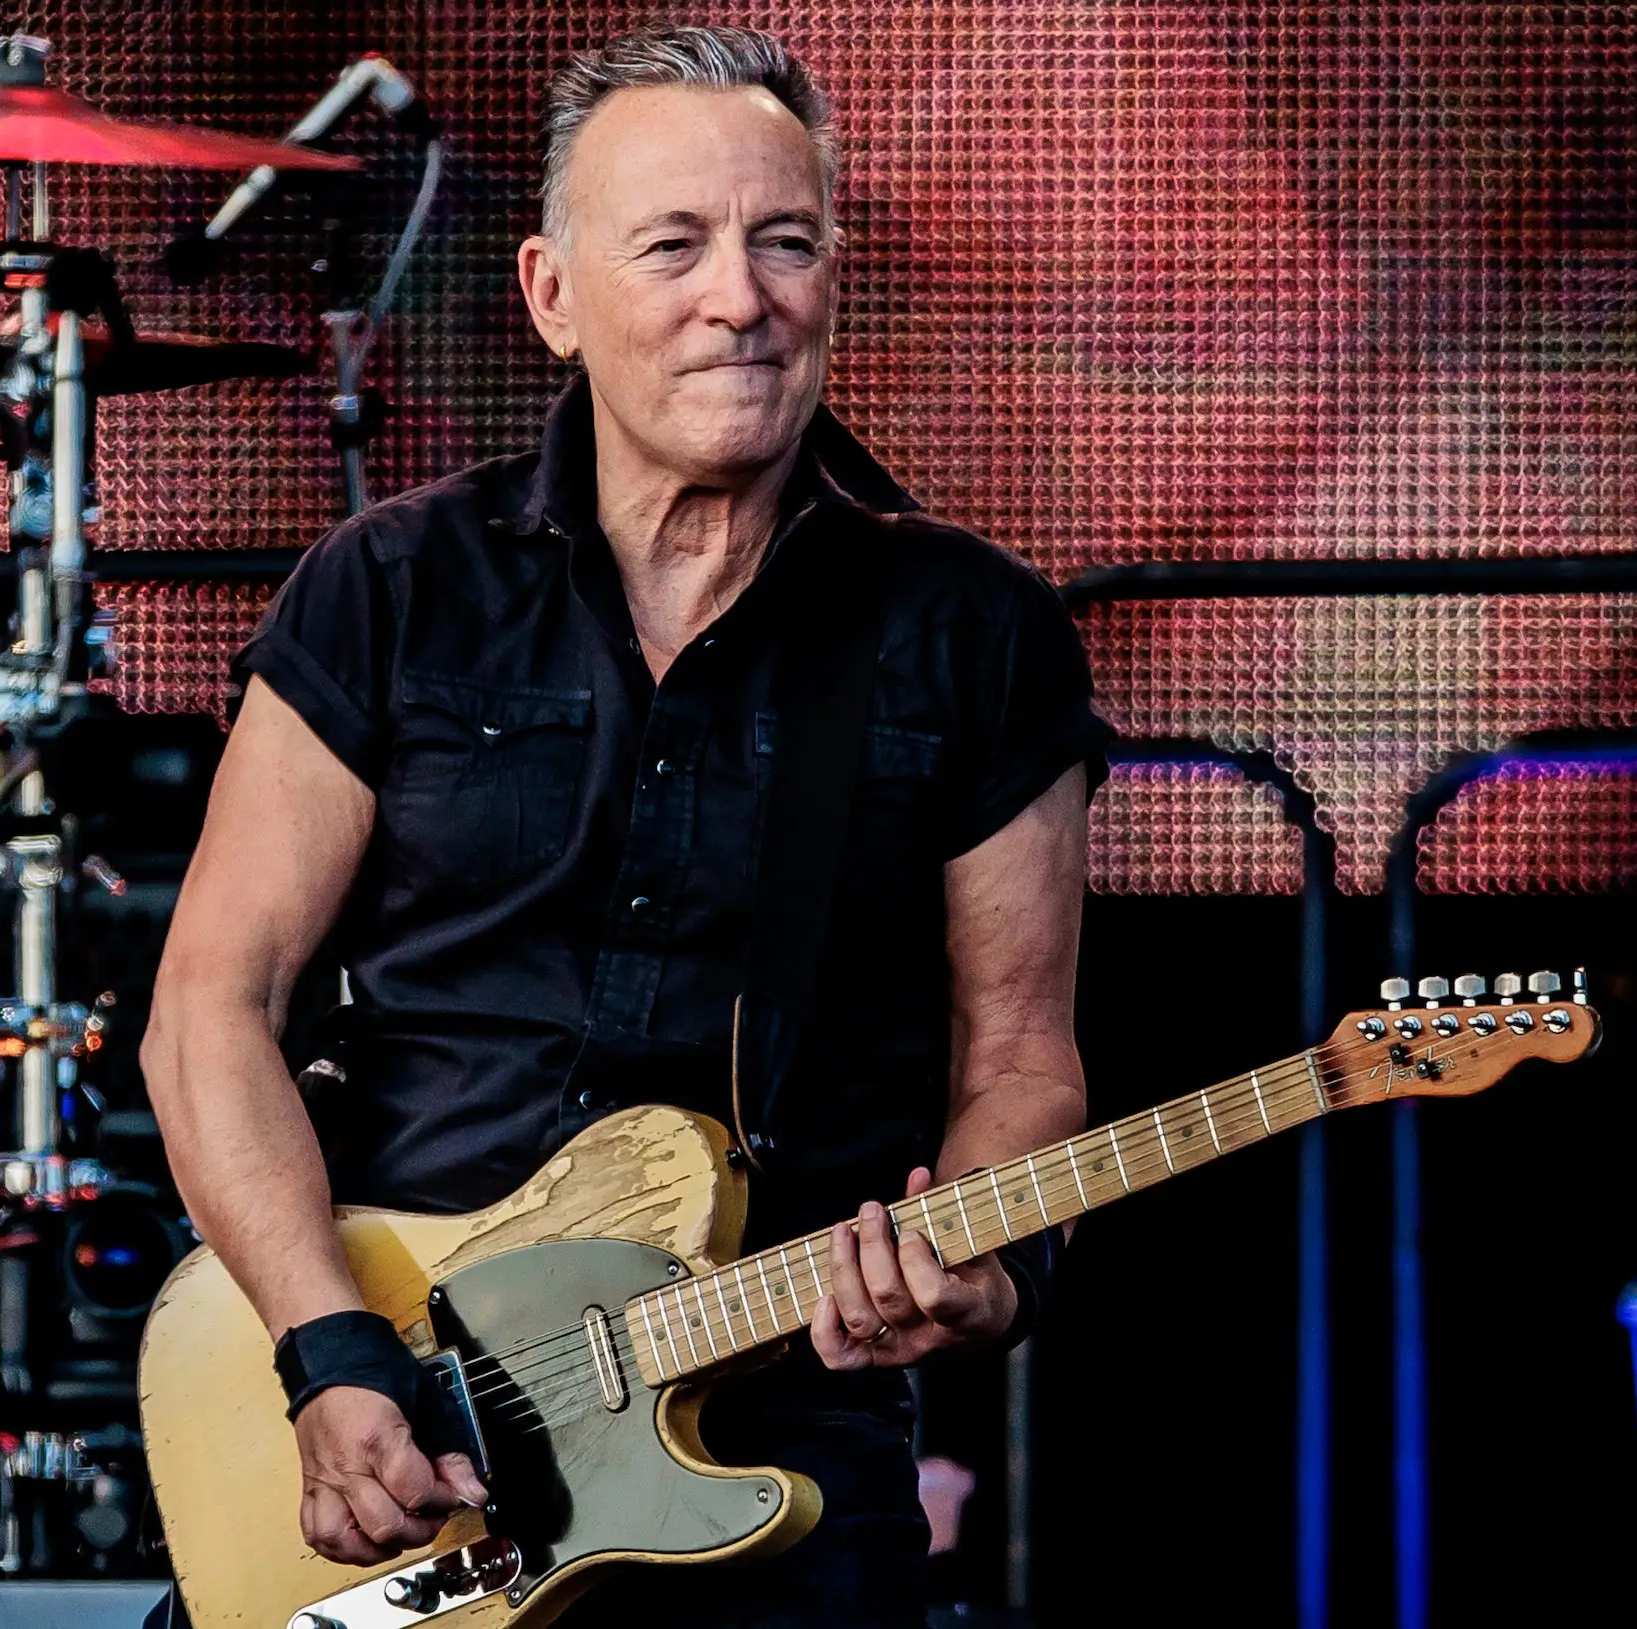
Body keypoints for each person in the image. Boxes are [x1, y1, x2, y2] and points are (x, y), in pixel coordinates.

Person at [142, 23, 1109, 1625]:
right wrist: (328, 1352)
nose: (742, 295)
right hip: (399, 1415)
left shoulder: (974, 631)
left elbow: (1020, 1057)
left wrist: (979, 1264)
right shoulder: (390, 591)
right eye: (675, 245)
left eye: (785, 242)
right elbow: (208, 1012)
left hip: (773, 1434)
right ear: (551, 294)